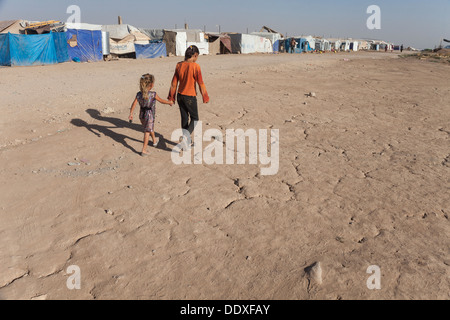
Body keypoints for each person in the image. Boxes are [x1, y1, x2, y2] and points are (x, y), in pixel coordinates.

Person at [168, 45, 209, 147]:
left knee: (185, 119)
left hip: (180, 96)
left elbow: (174, 83)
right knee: (195, 119)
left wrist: (171, 97)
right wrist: (205, 96)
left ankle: (188, 142)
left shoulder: (179, 65)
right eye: (197, 56)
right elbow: (200, 83)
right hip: (190, 97)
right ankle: (186, 136)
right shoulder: (195, 67)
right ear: (195, 55)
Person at [129, 74, 173, 156]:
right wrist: (169, 102)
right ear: (151, 85)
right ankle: (144, 150)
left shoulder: (139, 94)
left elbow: (134, 104)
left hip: (141, 115)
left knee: (148, 127)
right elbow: (162, 101)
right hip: (149, 115)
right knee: (147, 131)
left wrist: (131, 113)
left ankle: (154, 141)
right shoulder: (153, 94)